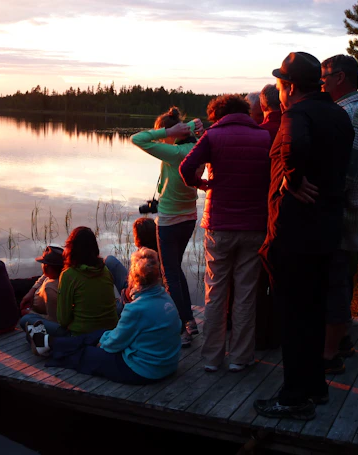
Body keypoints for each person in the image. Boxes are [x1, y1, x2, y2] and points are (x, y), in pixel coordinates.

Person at [254, 52, 354, 421]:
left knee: (294, 318)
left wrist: (291, 178)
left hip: (293, 235)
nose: (280, 92)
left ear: (291, 87)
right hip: (326, 231)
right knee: (313, 312)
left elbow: (296, 145)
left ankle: (294, 397)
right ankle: (315, 386)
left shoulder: (296, 114)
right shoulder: (341, 115)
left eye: (281, 85)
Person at [180, 94, 271, 373]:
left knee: (215, 292)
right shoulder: (264, 136)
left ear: (217, 114)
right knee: (245, 294)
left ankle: (211, 358)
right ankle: (240, 358)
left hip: (219, 224)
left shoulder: (213, 135)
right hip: (254, 225)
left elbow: (185, 167)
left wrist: (202, 184)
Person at [36, 248, 181, 384]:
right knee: (98, 334)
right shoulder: (166, 298)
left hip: (143, 370)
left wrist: (102, 343)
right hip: (167, 363)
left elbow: (114, 344)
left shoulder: (137, 308)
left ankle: (50, 347)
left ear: (134, 277)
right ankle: (50, 342)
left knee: (85, 354)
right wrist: (103, 338)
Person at [320, 54, 358, 373]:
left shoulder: (352, 113)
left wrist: (323, 195)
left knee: (336, 280)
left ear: (340, 78)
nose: (321, 82)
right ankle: (341, 340)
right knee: (342, 278)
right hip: (355, 211)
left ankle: (332, 352)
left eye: (325, 76)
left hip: (348, 213)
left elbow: (350, 169)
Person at [131, 107, 204, 348]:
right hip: (188, 217)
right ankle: (189, 320)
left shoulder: (176, 152)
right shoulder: (195, 146)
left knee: (169, 273)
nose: (161, 138)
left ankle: (184, 325)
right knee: (174, 270)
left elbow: (137, 139)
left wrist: (168, 131)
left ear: (173, 131)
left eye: (164, 134)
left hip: (171, 220)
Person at [17, 246, 65, 336]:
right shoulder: (55, 274)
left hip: (36, 307)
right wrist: (31, 292)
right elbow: (44, 276)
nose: (42, 266)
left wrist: (30, 312)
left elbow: (53, 320)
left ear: (47, 267)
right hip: (35, 296)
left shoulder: (50, 288)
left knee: (24, 318)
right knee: (17, 285)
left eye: (43, 263)